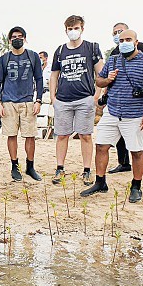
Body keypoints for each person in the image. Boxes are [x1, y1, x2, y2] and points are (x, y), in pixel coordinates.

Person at [82, 29, 143, 203]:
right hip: (112, 111)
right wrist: (108, 79)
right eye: (121, 40)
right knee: (101, 146)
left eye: (128, 39)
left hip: (135, 114)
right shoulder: (113, 60)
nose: (124, 42)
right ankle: (100, 182)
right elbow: (99, 81)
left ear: (136, 42)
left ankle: (136, 186)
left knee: (136, 151)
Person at [48, 15, 104, 185]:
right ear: (65, 30)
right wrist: (53, 97)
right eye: (70, 29)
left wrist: (96, 95)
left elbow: (100, 73)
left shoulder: (91, 48)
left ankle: (87, 170)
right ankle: (60, 168)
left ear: (82, 29)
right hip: (63, 100)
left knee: (85, 135)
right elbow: (54, 75)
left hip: (84, 99)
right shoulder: (60, 50)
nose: (73, 31)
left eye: (76, 28)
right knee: (62, 135)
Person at [0, 27, 43, 182]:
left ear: (25, 38)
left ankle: (30, 166)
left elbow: (39, 79)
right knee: (11, 135)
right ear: (9, 40)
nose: (17, 39)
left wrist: (39, 100)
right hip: (8, 101)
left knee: (30, 136)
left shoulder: (33, 56)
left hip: (28, 101)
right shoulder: (4, 58)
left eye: (20, 36)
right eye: (14, 37)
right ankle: (15, 166)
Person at [108, 22, 143, 174]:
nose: (117, 35)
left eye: (120, 31)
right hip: (118, 101)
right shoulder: (115, 53)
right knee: (119, 134)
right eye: (115, 33)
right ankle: (123, 162)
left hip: (137, 101)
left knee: (136, 135)